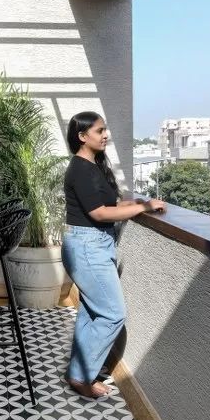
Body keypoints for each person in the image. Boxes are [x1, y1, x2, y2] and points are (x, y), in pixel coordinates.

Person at [62, 111, 165, 399]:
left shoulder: (94, 165)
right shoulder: (80, 169)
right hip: (86, 246)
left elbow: (113, 202)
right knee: (112, 314)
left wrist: (141, 202)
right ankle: (82, 378)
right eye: (99, 131)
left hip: (97, 245)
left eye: (105, 129)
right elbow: (100, 212)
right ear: (83, 137)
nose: (105, 135)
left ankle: (77, 372)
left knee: (91, 312)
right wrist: (143, 208)